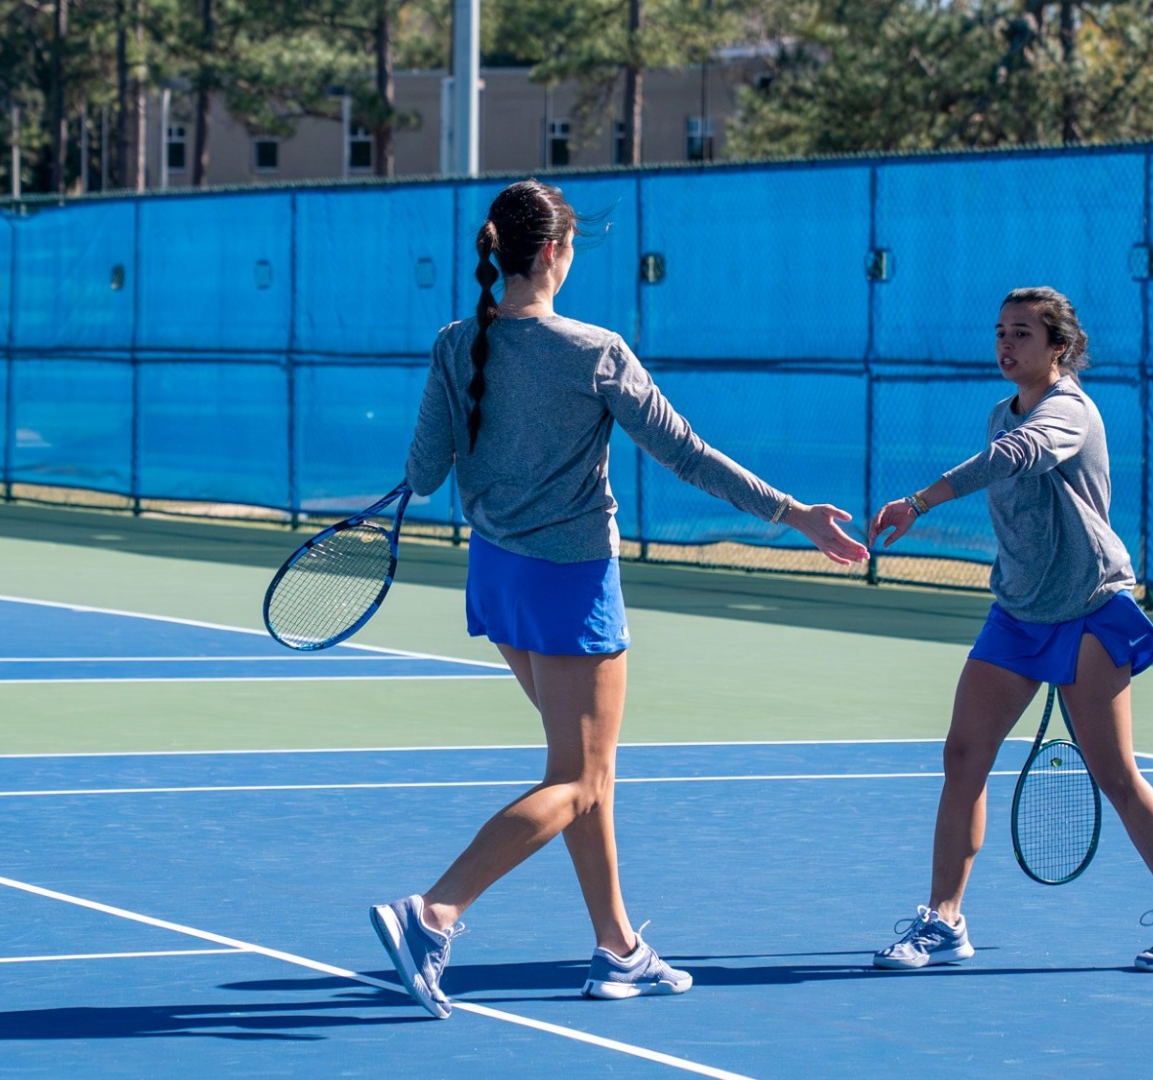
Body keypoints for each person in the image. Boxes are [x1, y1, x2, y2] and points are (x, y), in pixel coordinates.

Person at [372, 179, 870, 1017]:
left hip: (498, 580)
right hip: (570, 585)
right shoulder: (594, 350)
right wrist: (793, 514)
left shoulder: (455, 343)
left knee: (584, 771)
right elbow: (687, 453)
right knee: (579, 777)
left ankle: (618, 949)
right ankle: (432, 913)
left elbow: (423, 476)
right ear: (556, 254)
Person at [866, 286, 1153, 975]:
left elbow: (1014, 458)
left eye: (1023, 334)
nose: (1006, 344)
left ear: (1059, 348)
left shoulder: (1069, 412)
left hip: (1090, 606)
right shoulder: (1002, 410)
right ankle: (944, 921)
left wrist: (919, 501)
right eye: (1001, 331)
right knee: (963, 755)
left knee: (1116, 773)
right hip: (1020, 610)